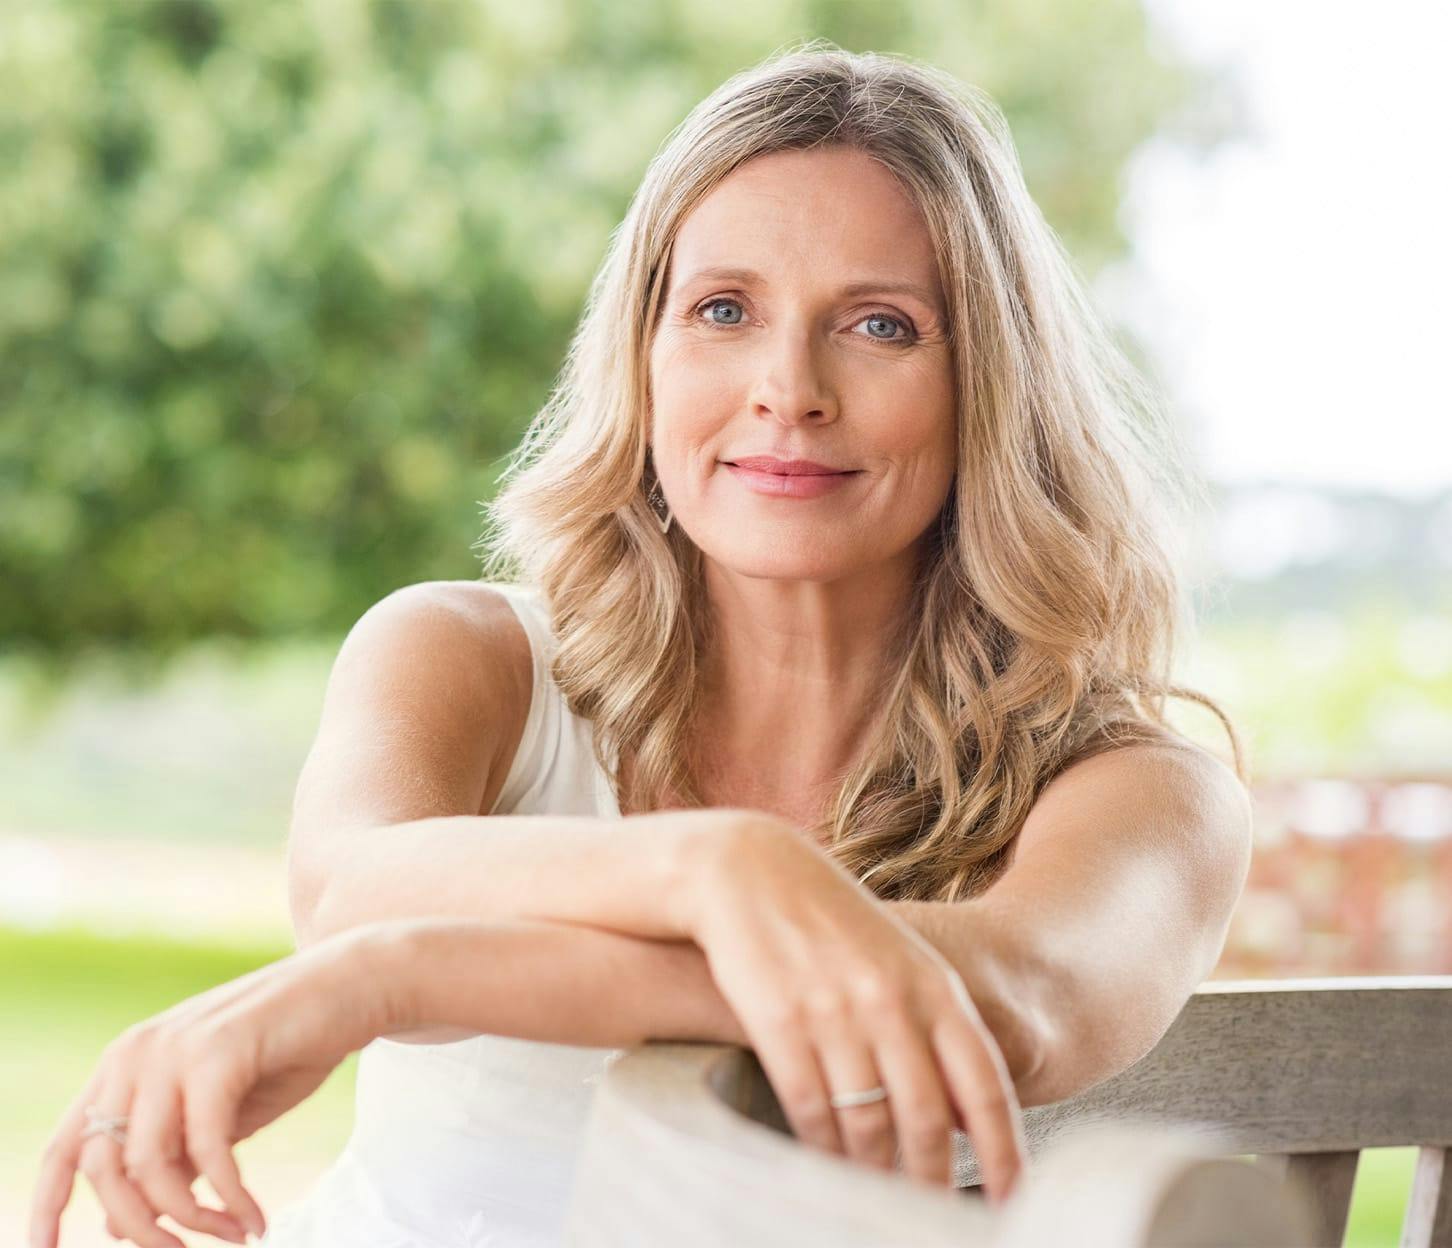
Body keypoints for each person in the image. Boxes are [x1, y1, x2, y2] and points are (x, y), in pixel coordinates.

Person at [29, 40, 1254, 1248]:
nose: (788, 387)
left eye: (880, 326)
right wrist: (712, 872)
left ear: (992, 385)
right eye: (722, 309)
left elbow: (1016, 999)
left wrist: (396, 979)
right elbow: (352, 887)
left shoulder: (1144, 788)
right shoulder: (464, 657)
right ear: (643, 356)